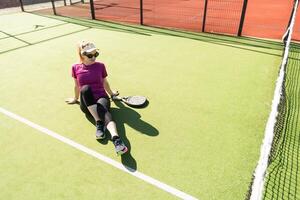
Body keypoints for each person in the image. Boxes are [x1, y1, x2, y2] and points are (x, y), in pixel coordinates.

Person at [65, 41, 128, 155]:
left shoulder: (100, 66)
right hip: (86, 104)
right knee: (85, 89)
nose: (94, 57)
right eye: (90, 55)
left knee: (102, 109)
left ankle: (116, 139)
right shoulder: (75, 67)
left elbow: (105, 82)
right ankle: (99, 122)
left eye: (96, 54)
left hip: (101, 97)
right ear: (82, 55)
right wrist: (75, 98)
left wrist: (112, 94)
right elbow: (76, 86)